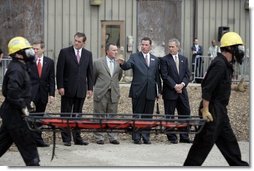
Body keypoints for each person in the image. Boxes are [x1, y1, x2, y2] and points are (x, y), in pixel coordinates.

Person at [183, 32, 249, 166]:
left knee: (230, 144)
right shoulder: (219, 64)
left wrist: (235, 88)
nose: (240, 51)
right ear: (230, 48)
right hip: (212, 110)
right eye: (238, 47)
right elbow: (207, 87)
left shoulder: (226, 64)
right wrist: (205, 110)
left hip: (220, 111)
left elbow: (220, 85)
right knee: (202, 146)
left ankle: (239, 166)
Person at [0, 36, 40, 166]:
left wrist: (28, 103)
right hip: (15, 113)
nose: (31, 53)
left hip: (12, 112)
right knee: (27, 142)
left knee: (3, 140)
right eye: (27, 50)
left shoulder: (21, 67)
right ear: (18, 54)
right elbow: (12, 92)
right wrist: (23, 106)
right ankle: (34, 165)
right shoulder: (16, 69)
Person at [117, 37, 161, 144]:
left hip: (150, 91)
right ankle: (136, 136)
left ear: (150, 46)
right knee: (137, 114)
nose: (144, 47)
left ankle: (146, 136)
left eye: (146, 45)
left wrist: (159, 91)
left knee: (148, 115)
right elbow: (127, 66)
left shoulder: (155, 59)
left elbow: (157, 77)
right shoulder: (135, 57)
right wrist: (122, 63)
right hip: (138, 91)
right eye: (142, 44)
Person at [56, 32, 93, 146]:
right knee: (65, 114)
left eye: (79, 41)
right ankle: (66, 139)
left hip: (81, 89)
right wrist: (60, 86)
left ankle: (77, 138)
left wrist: (90, 88)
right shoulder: (64, 52)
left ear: (84, 43)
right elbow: (59, 71)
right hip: (67, 89)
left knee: (78, 115)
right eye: (75, 40)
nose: (76, 43)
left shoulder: (88, 54)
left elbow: (90, 72)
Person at [160, 38, 192, 144]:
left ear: (178, 47)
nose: (170, 48)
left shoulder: (184, 59)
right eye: (169, 47)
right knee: (170, 115)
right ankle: (172, 137)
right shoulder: (164, 60)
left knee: (185, 113)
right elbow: (164, 75)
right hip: (170, 92)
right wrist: (175, 86)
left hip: (182, 92)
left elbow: (187, 75)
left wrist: (182, 85)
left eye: (172, 47)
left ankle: (184, 136)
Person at [27, 41, 55, 147]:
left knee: (39, 117)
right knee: (30, 117)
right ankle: (30, 140)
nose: (34, 51)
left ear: (43, 49)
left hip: (43, 94)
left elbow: (51, 79)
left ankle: (38, 140)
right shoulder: (28, 62)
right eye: (33, 49)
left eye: (37, 49)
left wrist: (51, 94)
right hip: (31, 95)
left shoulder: (49, 62)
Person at [93, 43, 123, 145]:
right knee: (99, 115)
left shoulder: (118, 64)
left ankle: (112, 137)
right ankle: (99, 137)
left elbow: (118, 77)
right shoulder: (97, 62)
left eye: (116, 50)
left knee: (112, 115)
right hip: (101, 92)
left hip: (113, 93)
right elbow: (93, 77)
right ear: (107, 51)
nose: (116, 52)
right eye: (113, 50)